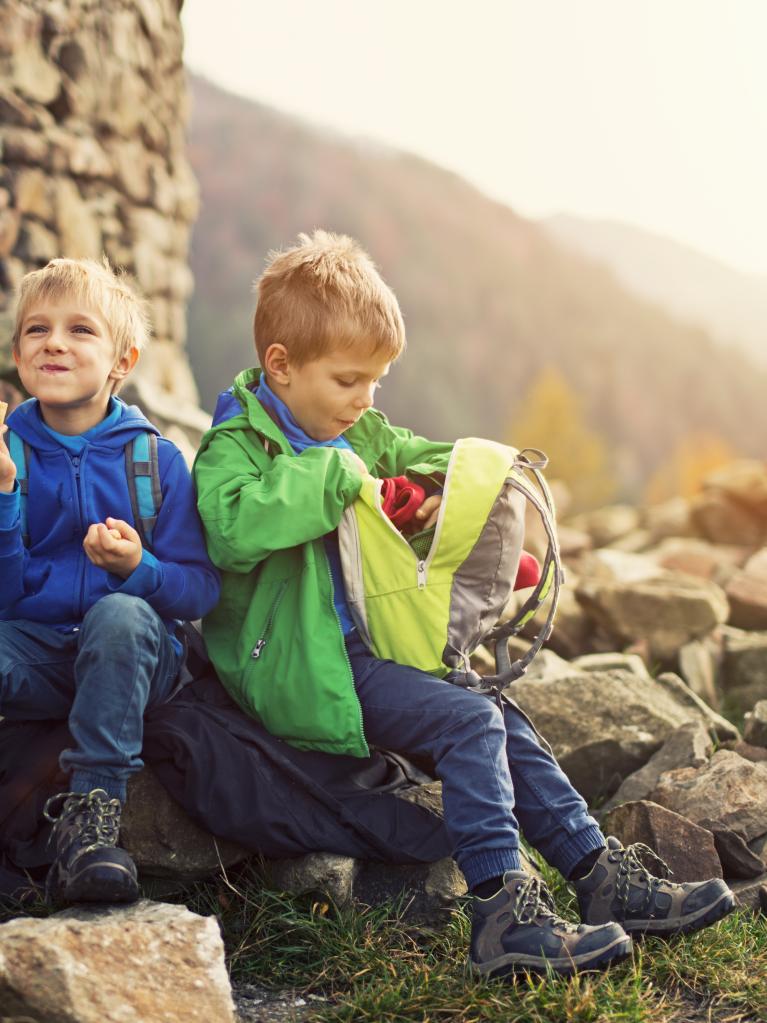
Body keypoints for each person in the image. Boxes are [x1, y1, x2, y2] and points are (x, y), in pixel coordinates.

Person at [193, 231, 735, 978]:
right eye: (349, 380)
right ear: (280, 367)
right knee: (467, 719)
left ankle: (599, 875)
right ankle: (502, 912)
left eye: (377, 382)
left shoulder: (359, 430)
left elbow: (417, 453)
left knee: (496, 711)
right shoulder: (235, 449)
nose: (364, 401)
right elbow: (231, 531)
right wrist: (337, 478)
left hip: (367, 652)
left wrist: (461, 480)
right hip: (300, 667)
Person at [0, 258, 220, 906]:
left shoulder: (155, 458)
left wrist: (136, 570)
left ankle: (91, 824)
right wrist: (5, 496)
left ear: (122, 362)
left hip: (133, 656)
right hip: (38, 650)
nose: (55, 342)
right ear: (17, 353)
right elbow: (7, 601)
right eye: (36, 329)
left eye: (79, 329)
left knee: (120, 614)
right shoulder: (9, 449)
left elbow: (200, 588)